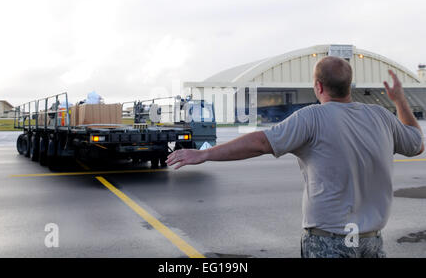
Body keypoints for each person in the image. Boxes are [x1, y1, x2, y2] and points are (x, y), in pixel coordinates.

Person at [166, 56, 425, 258]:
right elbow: (417, 144)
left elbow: (260, 143)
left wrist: (204, 154)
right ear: (350, 85)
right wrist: (400, 100)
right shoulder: (380, 116)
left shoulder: (312, 117)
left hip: (329, 241)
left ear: (318, 86)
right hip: (371, 240)